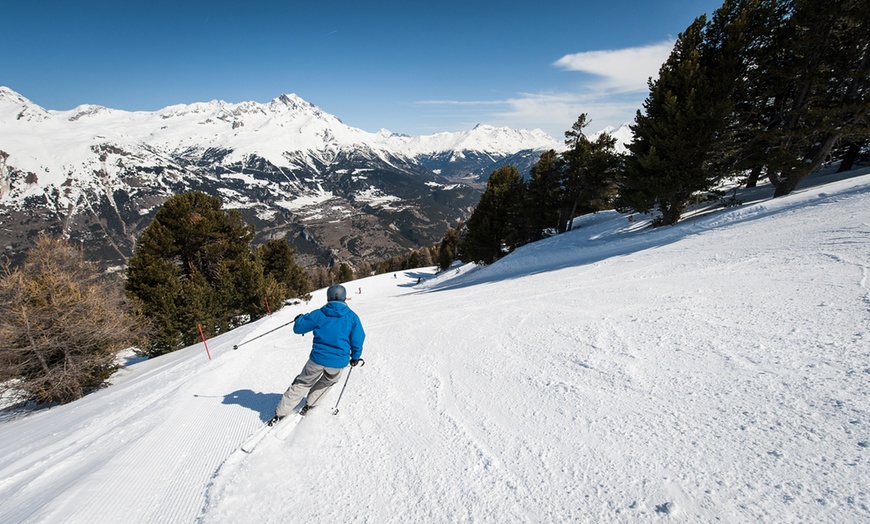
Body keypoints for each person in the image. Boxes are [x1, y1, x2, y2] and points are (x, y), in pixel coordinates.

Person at [269, 284, 365, 424]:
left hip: (317, 359)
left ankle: (280, 412)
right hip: (338, 362)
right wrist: (355, 357)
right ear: (344, 297)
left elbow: (299, 328)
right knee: (328, 381)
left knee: (303, 382)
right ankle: (311, 403)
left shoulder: (319, 314)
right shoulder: (352, 317)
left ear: (328, 297)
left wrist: (299, 319)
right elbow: (358, 339)